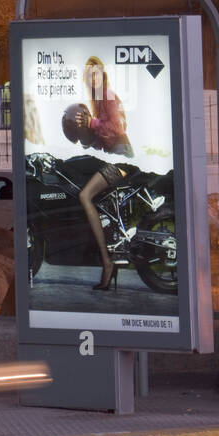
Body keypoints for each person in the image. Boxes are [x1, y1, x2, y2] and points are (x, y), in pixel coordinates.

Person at [63, 57, 133, 291]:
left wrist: (92, 123)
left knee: (85, 196)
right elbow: (101, 135)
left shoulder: (109, 95)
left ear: (103, 75)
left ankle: (107, 262)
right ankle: (110, 251)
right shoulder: (98, 100)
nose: (94, 78)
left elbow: (117, 128)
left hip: (122, 158)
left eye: (97, 73)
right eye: (89, 74)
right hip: (115, 155)